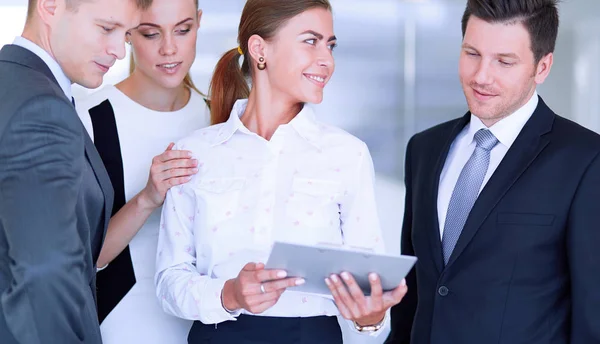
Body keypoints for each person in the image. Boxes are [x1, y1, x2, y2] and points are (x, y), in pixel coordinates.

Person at [154, 0, 408, 343]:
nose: (326, 60)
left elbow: (366, 287)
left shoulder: (348, 154)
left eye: (330, 45)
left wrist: (371, 317)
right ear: (260, 50)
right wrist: (230, 294)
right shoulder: (195, 152)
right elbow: (169, 280)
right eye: (310, 41)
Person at [386, 0, 600, 343]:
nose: (481, 76)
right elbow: (415, 295)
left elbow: (593, 314)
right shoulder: (424, 150)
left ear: (542, 67)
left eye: (504, 61)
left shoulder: (586, 161)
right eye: (472, 54)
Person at [0, 0, 147, 343]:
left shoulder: (14, 84)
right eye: (106, 28)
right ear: (51, 7)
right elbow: (45, 272)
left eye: (124, 35)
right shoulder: (41, 107)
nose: (118, 52)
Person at [76, 0, 208, 342]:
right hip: (124, 319)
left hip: (209, 317)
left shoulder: (219, 115)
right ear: (129, 32)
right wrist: (147, 198)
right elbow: (82, 257)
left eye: (183, 30)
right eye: (151, 33)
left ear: (199, 23)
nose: (169, 48)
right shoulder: (89, 117)